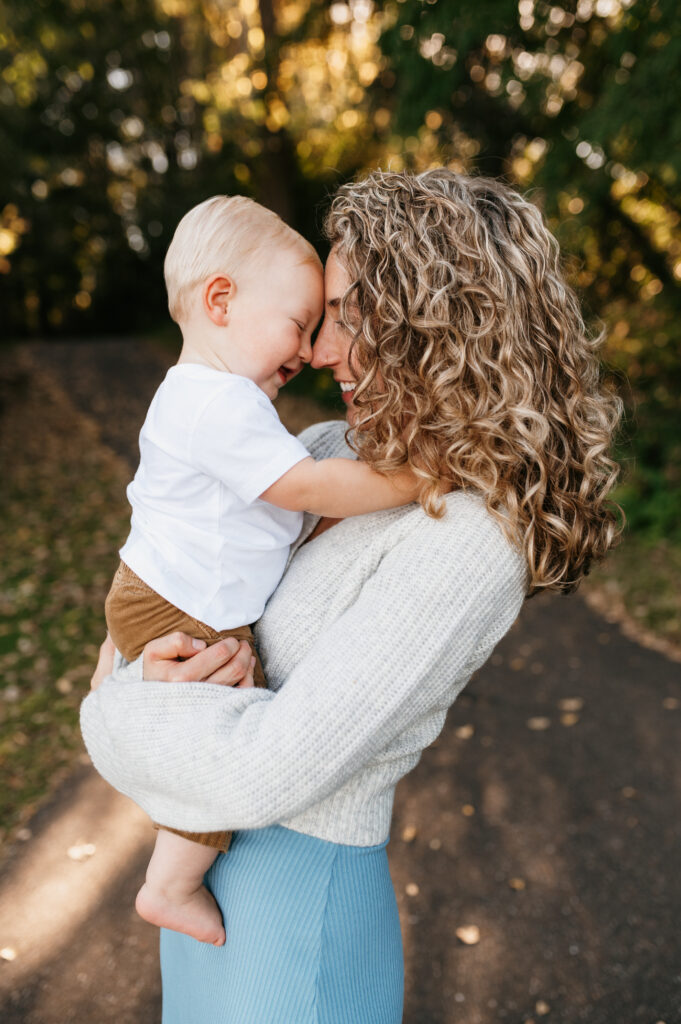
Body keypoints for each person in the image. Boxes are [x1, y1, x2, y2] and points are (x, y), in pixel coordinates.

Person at [81, 169, 621, 1024]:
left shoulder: (469, 537)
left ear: (435, 326)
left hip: (295, 921)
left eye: (348, 315)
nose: (319, 349)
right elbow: (153, 606)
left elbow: (264, 770)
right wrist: (128, 686)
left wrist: (108, 716)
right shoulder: (330, 446)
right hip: (199, 881)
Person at [104, 194, 422, 948]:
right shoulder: (217, 405)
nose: (309, 349)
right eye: (300, 323)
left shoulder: (206, 399)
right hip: (184, 610)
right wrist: (414, 482)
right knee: (220, 732)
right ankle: (169, 884)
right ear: (221, 301)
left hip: (157, 591)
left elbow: (272, 516)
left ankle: (170, 876)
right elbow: (304, 489)